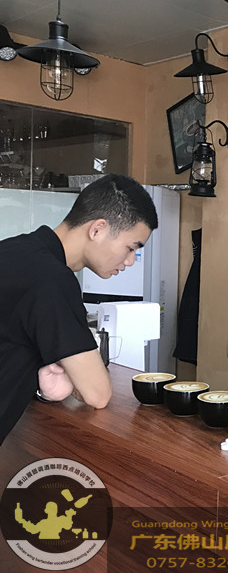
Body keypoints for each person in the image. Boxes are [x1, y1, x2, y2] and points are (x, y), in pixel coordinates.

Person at [0, 174, 158, 445]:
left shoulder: (13, 250)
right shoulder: (52, 280)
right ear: (97, 229)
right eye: (131, 248)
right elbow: (97, 393)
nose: (131, 261)